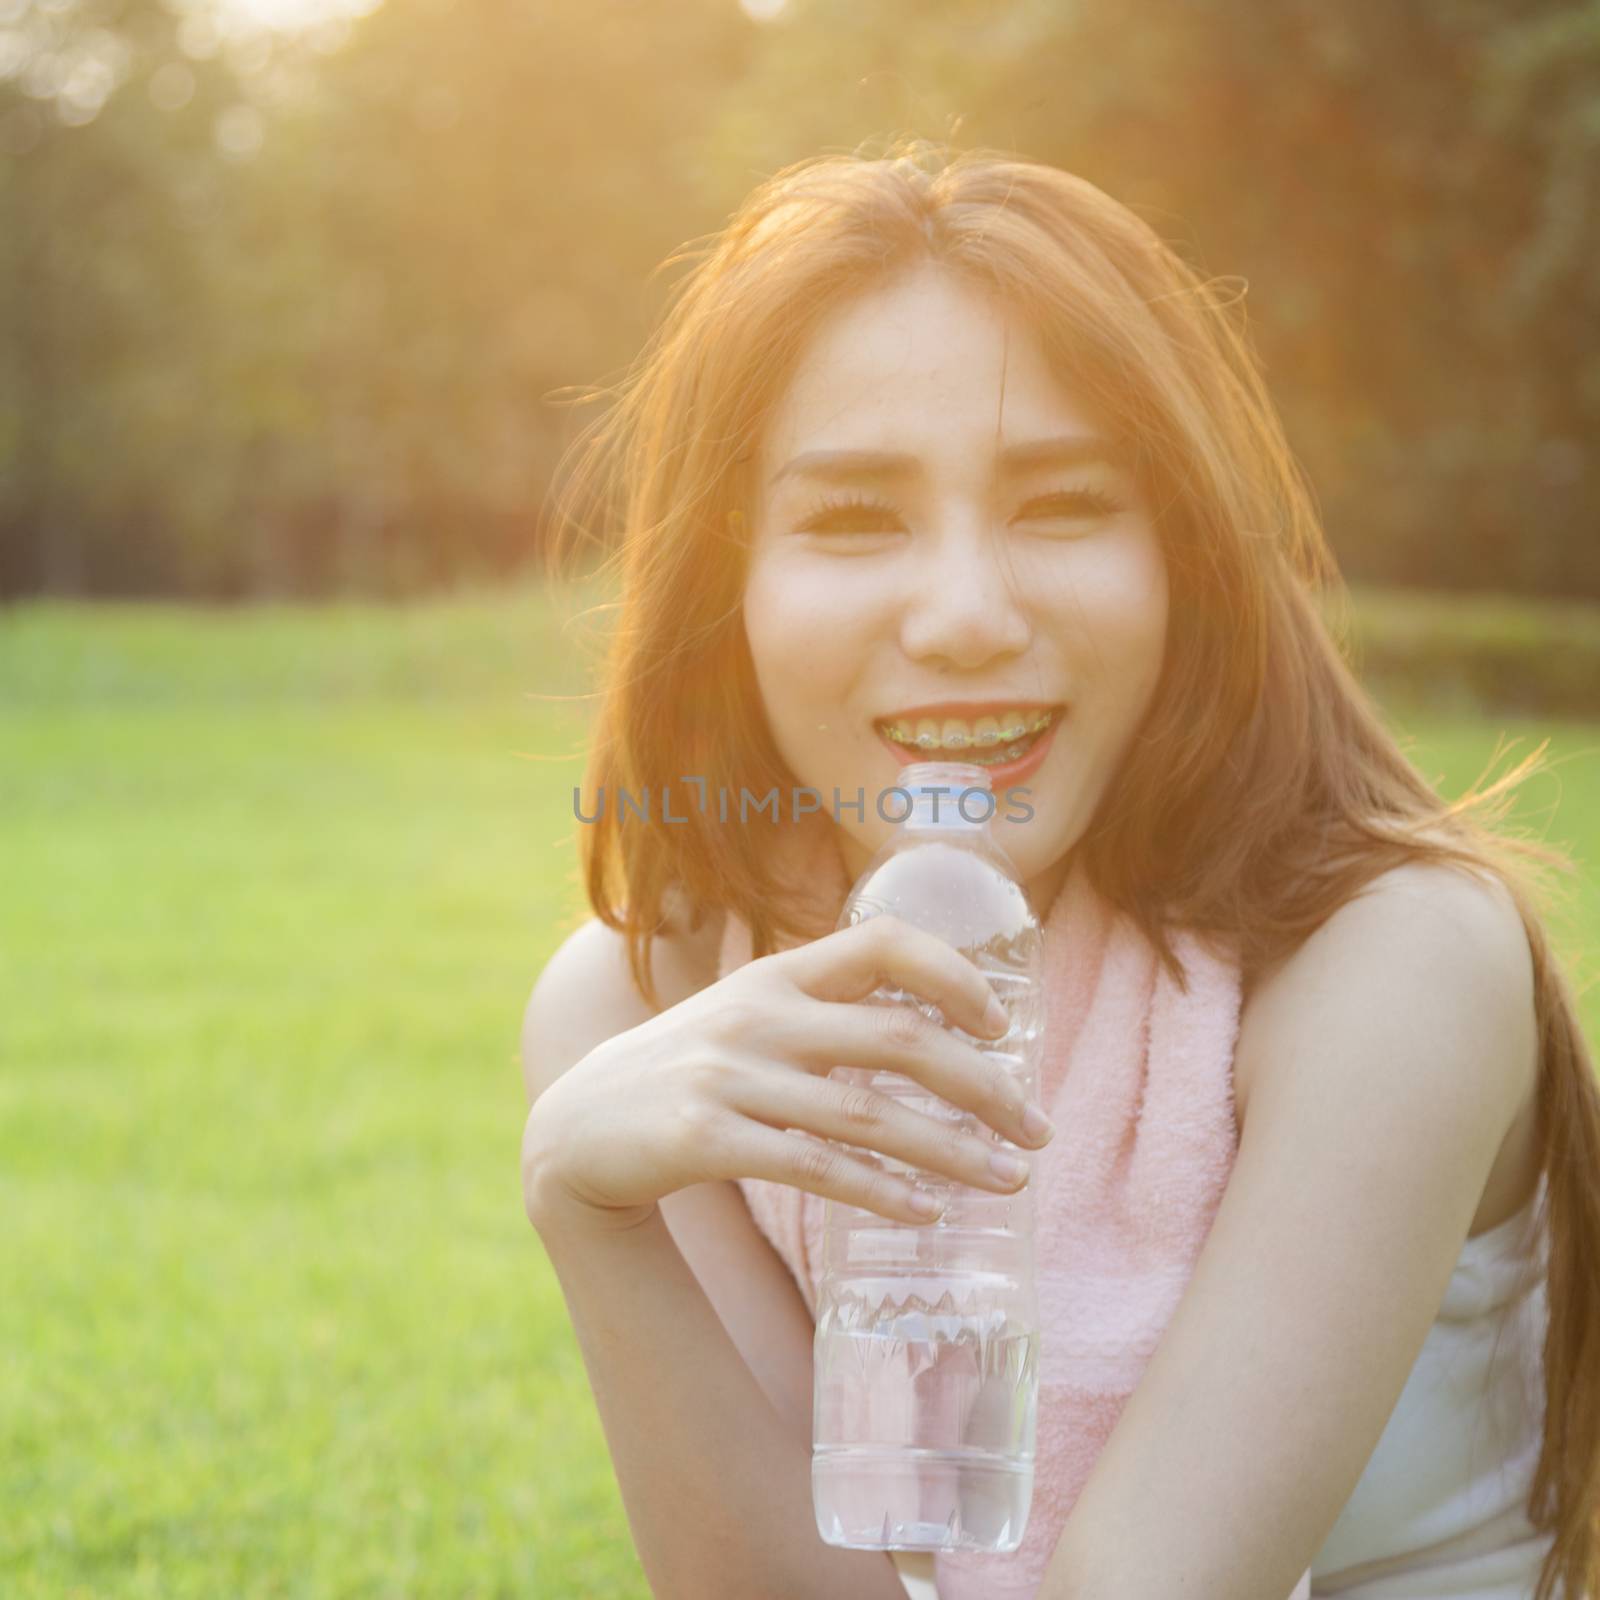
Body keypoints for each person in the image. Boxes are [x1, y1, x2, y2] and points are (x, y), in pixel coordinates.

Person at [518, 138, 1600, 1600]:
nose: (966, 613)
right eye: (852, 519)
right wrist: (597, 1221)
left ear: (1187, 557)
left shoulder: (1393, 960)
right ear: (733, 587)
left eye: (1064, 503)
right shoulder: (645, 1007)